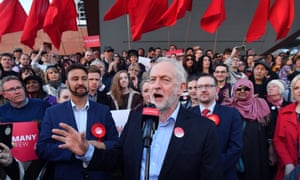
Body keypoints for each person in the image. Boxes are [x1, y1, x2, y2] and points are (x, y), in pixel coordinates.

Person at [51, 58, 222, 179]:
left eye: (165, 80)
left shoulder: (203, 129)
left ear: (181, 88)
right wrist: (86, 151)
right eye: (153, 79)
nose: (156, 85)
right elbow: (117, 159)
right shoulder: (135, 119)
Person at [36, 64, 119, 180]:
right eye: (75, 79)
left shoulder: (103, 110)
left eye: (84, 79)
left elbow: (115, 144)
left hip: (99, 175)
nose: (80, 82)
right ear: (67, 83)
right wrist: (74, 149)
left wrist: (96, 145)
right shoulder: (53, 113)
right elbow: (43, 148)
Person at [191, 74, 243, 180]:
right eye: (200, 87)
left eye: (208, 86)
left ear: (217, 89)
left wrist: (213, 168)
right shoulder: (187, 115)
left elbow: (236, 147)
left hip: (223, 174)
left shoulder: (231, 114)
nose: (204, 90)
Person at [0, 75, 50, 179]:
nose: (17, 91)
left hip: (40, 160)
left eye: (19, 87)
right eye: (11, 89)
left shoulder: (43, 106)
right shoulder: (1, 112)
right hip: (12, 162)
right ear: (4, 94)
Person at [222, 78, 271, 180]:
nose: (242, 91)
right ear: (234, 91)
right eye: (239, 89)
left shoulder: (260, 104)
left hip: (258, 151)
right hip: (236, 152)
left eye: (246, 89)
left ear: (251, 90)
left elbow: (269, 128)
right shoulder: (228, 106)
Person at [273, 74, 300, 180]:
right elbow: (278, 140)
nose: (299, 91)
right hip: (290, 166)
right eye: (296, 88)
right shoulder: (284, 112)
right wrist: (288, 163)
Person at [265, 79, 290, 179]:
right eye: (269, 87)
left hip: (287, 143)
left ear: (281, 90)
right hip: (268, 143)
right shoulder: (264, 105)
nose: (270, 88)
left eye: (273, 86)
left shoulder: (289, 105)